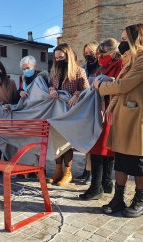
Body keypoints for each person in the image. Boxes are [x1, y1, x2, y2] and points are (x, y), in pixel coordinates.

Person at [93, 23, 143, 217]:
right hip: (125, 118)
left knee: (136, 162)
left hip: (137, 120)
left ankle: (141, 202)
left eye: (124, 39)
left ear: (136, 38)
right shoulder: (132, 59)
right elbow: (121, 85)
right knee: (121, 162)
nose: (121, 42)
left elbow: (123, 86)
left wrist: (101, 86)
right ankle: (118, 200)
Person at [79, 38, 123, 200]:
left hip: (110, 110)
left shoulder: (120, 65)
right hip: (100, 110)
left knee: (101, 149)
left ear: (113, 52)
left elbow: (119, 85)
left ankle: (97, 187)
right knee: (102, 149)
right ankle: (105, 183)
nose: (99, 57)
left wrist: (102, 83)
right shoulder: (104, 66)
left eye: (101, 53)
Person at [48, 43, 90, 186]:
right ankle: (58, 170)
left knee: (67, 143)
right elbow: (50, 84)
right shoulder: (55, 71)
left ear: (68, 56)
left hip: (71, 113)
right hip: (56, 113)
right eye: (56, 58)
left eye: (61, 57)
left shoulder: (79, 71)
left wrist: (77, 94)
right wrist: (51, 89)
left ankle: (68, 173)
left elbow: (87, 91)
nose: (58, 60)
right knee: (57, 143)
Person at [77, 41, 100, 183]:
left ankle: (91, 173)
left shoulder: (102, 68)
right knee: (86, 143)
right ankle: (86, 171)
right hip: (86, 108)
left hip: (97, 107)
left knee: (94, 143)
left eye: (91, 52)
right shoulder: (83, 68)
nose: (88, 55)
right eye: (86, 53)